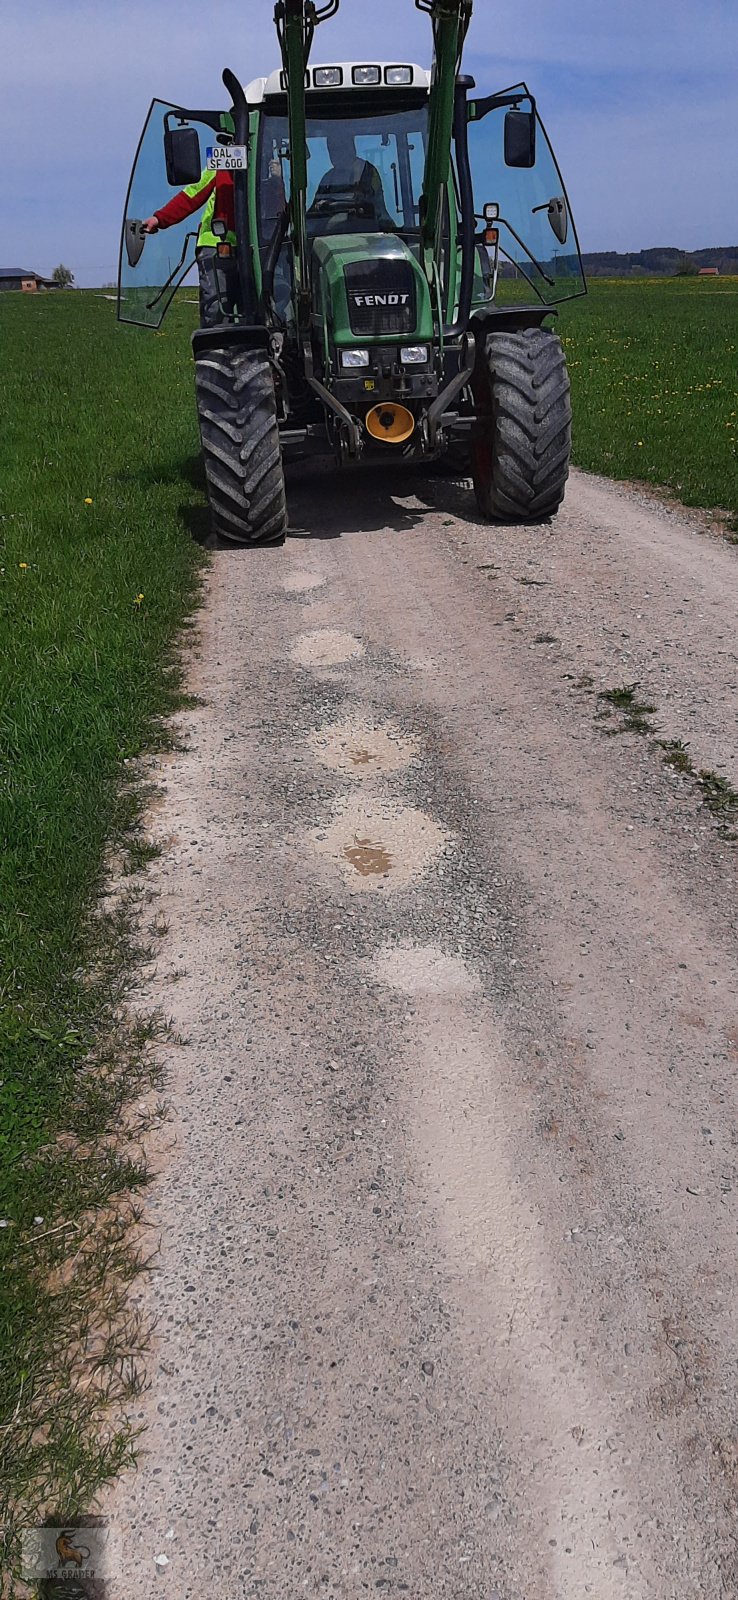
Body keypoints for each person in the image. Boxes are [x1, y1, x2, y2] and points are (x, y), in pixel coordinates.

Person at [143, 168, 238, 327]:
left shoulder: (267, 171)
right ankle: (217, 347)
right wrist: (159, 218)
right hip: (217, 243)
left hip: (259, 248)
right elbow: (191, 195)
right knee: (218, 307)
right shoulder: (220, 165)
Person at [308, 128, 394, 231]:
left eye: (339, 148)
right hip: (330, 237)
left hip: (367, 235)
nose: (334, 154)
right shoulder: (328, 179)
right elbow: (314, 215)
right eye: (331, 149)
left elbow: (377, 209)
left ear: (351, 148)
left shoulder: (368, 172)